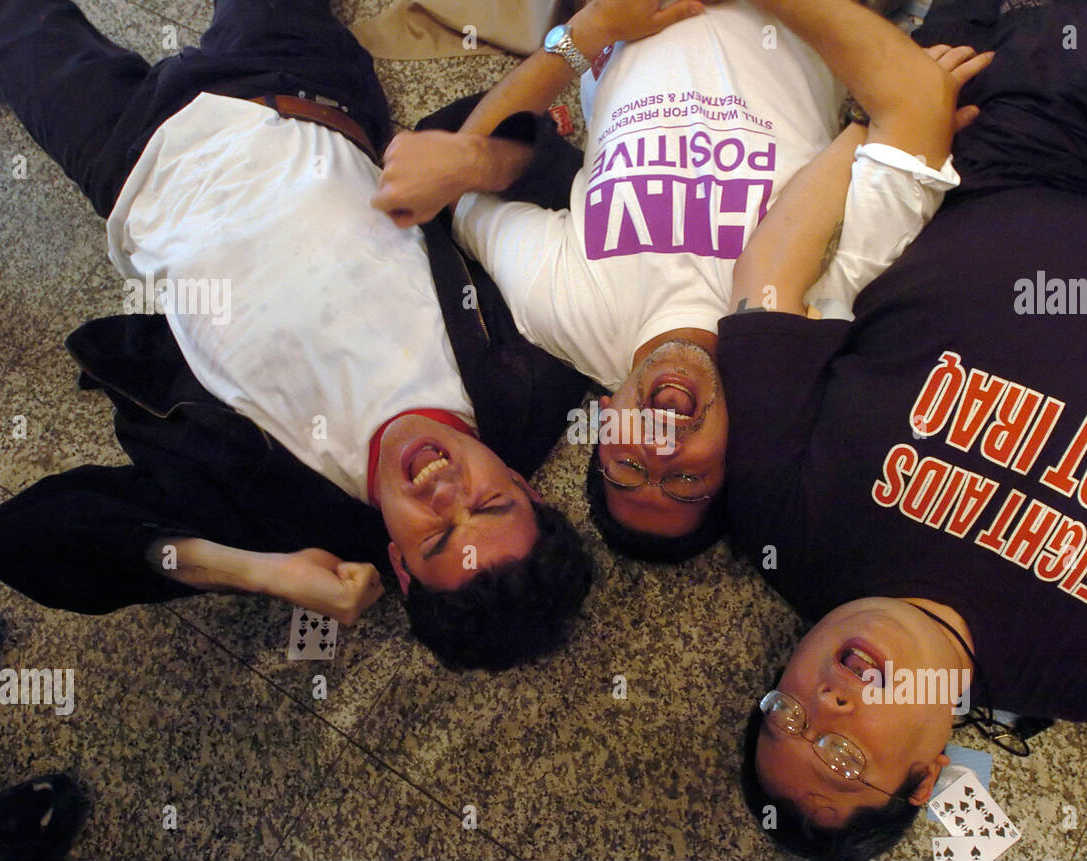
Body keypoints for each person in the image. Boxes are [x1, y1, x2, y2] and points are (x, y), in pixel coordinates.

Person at [723, 0, 1087, 858]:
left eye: (784, 714)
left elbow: (767, 288)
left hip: (1009, 144)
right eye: (840, 753)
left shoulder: (777, 525)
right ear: (927, 775)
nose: (824, 705)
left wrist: (878, 126)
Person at [0, 0, 594, 671]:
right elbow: (555, 168)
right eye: (490, 501)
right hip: (299, 83)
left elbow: (17, 538)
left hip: (132, 157)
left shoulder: (283, 521)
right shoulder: (534, 375)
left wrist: (254, 572)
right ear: (526, 489)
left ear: (401, 568)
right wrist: (477, 160)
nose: (447, 492)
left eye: (439, 537)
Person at [373, 0, 959, 560]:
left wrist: (588, 33)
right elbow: (906, 120)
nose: (658, 448)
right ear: (734, 452)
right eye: (685, 480)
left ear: (603, 423)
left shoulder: (570, 316)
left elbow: (463, 174)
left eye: (628, 470)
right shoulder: (796, 330)